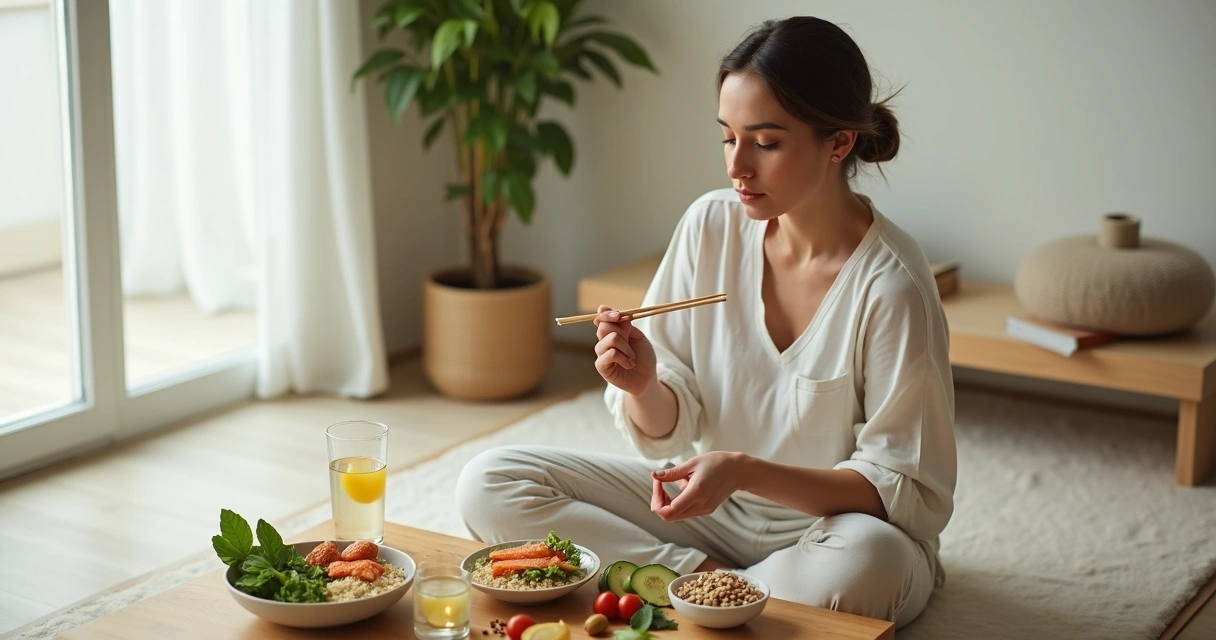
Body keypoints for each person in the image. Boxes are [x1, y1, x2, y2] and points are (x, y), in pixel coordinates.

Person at [456, 16, 955, 628]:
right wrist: (644, 385)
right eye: (727, 137)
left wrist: (745, 470)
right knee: (491, 480)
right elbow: (671, 430)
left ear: (839, 143)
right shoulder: (710, 225)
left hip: (832, 535)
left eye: (766, 143)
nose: (737, 167)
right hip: (708, 513)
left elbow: (903, 490)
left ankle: (695, 591)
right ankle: (705, 588)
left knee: (867, 566)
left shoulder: (893, 285)